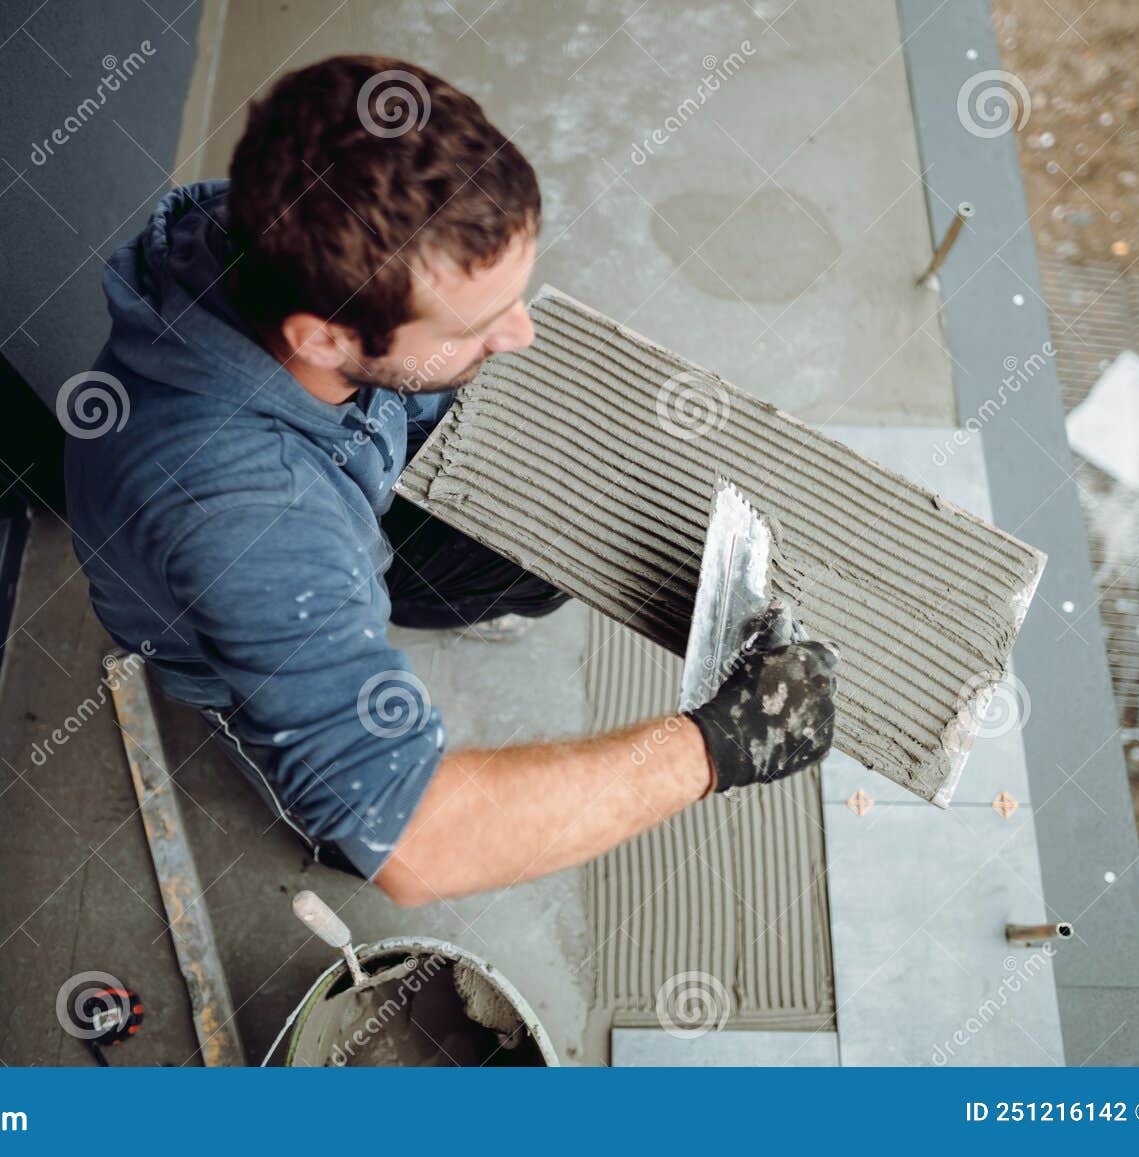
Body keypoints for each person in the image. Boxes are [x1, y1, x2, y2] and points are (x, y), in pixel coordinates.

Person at [66, 55, 837, 906]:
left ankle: (437, 568)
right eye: (475, 326)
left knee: (545, 563)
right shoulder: (247, 520)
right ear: (322, 340)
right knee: (347, 822)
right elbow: (421, 845)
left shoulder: (288, 219)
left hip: (354, 474)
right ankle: (323, 824)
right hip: (244, 616)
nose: (522, 335)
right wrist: (714, 746)